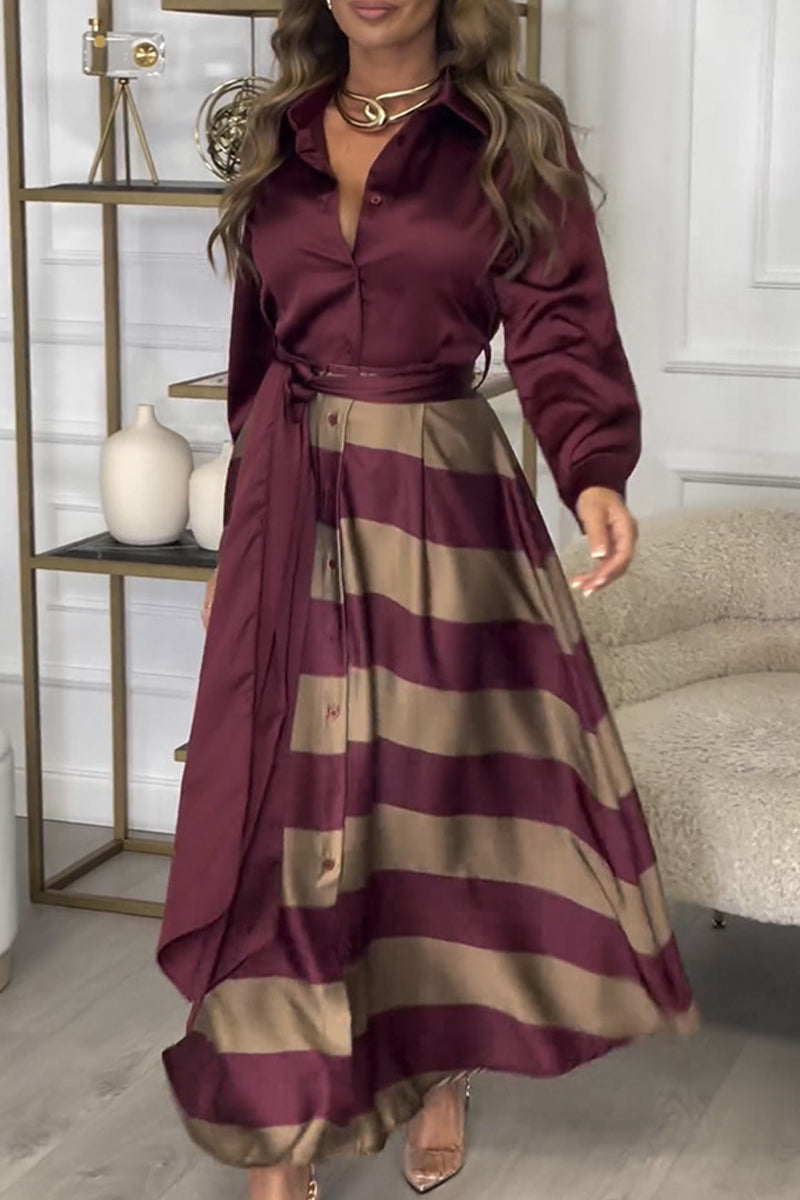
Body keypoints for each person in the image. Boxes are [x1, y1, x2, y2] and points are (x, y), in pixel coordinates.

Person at [157, 0, 697, 1196]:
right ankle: (284, 1124)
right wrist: (242, 543)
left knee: (427, 799)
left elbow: (560, 325)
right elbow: (257, 359)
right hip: (290, 499)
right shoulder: (278, 133)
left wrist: (592, 470)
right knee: (286, 807)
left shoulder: (510, 135)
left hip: (438, 498)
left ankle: (437, 1062)